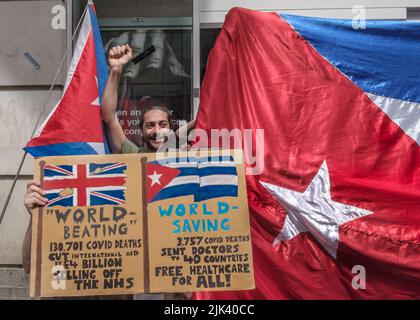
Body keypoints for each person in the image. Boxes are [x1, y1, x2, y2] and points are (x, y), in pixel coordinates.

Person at [23, 44, 192, 300]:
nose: (157, 130)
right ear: (141, 130)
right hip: (134, 268)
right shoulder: (132, 157)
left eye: (162, 124)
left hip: (176, 268)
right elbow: (109, 116)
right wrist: (115, 71)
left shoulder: (187, 162)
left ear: (171, 126)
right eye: (150, 125)